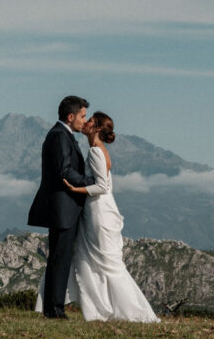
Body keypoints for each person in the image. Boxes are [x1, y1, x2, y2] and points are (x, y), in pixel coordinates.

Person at [36, 111, 160, 323]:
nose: (85, 122)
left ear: (97, 129)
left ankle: (132, 311)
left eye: (90, 120)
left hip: (98, 211)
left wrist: (75, 189)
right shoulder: (98, 150)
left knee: (106, 262)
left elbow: (102, 186)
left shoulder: (95, 151)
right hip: (98, 209)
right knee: (102, 261)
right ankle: (106, 308)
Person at [27, 95, 95, 319]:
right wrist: (91, 182)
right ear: (71, 116)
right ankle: (54, 309)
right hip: (62, 208)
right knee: (59, 257)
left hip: (66, 208)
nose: (84, 121)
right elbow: (64, 170)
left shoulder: (63, 135)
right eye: (83, 116)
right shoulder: (59, 137)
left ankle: (55, 307)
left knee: (62, 257)